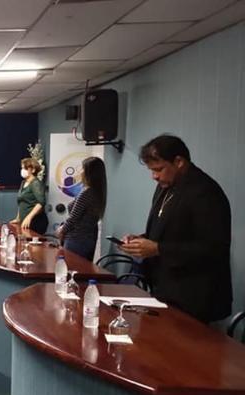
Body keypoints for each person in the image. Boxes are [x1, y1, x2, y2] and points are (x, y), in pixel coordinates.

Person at [119, 135, 231, 323]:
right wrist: (140, 240)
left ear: (179, 162)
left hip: (193, 296)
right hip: (164, 289)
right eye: (151, 170)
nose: (154, 176)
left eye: (158, 169)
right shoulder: (165, 186)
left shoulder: (205, 192)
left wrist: (157, 249)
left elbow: (213, 248)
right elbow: (168, 232)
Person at [56, 157, 106, 260]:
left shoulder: (87, 192)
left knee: (70, 267)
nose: (80, 171)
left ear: (90, 172)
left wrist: (62, 230)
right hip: (86, 239)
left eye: (83, 168)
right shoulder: (96, 191)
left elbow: (74, 217)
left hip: (76, 240)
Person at [10, 157, 48, 234]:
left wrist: (29, 217)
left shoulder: (36, 183)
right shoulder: (23, 183)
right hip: (24, 221)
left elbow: (41, 203)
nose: (22, 170)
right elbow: (21, 202)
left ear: (33, 170)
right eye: (22, 168)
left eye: (25, 168)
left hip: (35, 222)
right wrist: (18, 218)